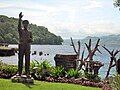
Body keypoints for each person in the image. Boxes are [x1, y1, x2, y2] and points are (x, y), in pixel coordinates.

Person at [18, 12, 32, 76]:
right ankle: (19, 72)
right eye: (24, 24)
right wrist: (19, 19)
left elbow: (31, 39)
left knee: (27, 60)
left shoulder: (30, 32)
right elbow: (18, 27)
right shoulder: (21, 31)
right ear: (23, 24)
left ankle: (27, 72)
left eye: (27, 24)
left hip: (27, 47)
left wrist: (30, 40)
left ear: (28, 24)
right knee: (20, 59)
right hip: (21, 46)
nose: (26, 25)